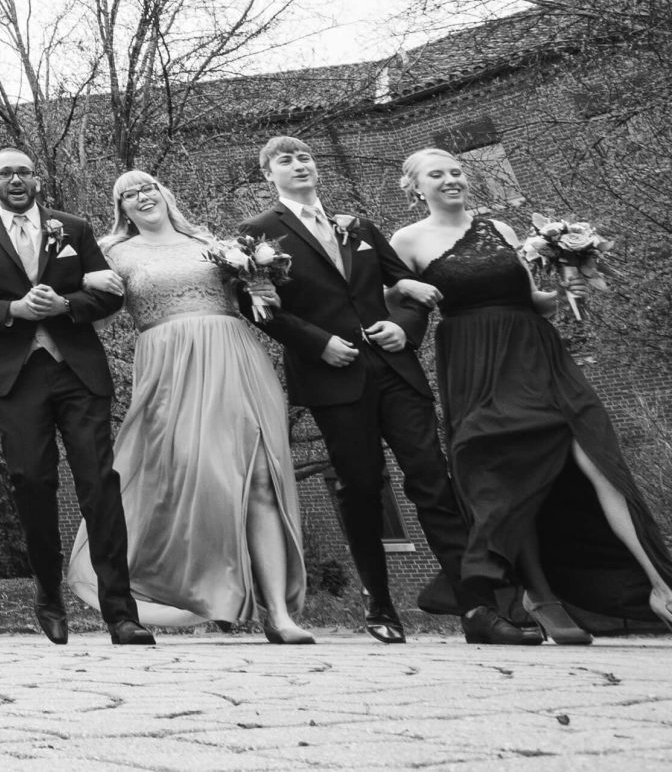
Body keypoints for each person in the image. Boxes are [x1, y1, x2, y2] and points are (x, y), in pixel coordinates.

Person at [392, 147, 672, 644]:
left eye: (457, 171)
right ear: (416, 186)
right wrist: (403, 299)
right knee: (502, 473)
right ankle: (538, 594)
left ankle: (659, 586)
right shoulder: (406, 241)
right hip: (476, 364)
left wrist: (568, 289)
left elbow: (532, 300)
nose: (452, 179)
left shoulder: (498, 229)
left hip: (538, 352)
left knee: (599, 461)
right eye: (437, 174)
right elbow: (397, 303)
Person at [63, 171, 310, 642]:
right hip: (169, 365)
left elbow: (249, 298)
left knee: (259, 477)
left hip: (234, 355)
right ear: (121, 209)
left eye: (148, 187)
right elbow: (89, 302)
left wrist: (262, 289)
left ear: (164, 193)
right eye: (128, 194)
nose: (141, 196)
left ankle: (278, 614)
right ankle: (202, 587)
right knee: (201, 477)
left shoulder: (211, 242)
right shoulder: (113, 253)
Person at [241, 135, 469, 643]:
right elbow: (261, 307)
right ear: (268, 175)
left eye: (305, 156)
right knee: (362, 485)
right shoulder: (256, 235)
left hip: (395, 369)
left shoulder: (359, 225)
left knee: (431, 476)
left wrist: (404, 328)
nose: (299, 164)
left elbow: (401, 280)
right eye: (286, 160)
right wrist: (319, 344)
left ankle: (476, 601)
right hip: (333, 376)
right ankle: (380, 605)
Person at [0, 149, 153, 646]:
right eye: (5, 173)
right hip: (17, 377)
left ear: (36, 179)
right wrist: (12, 307)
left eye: (24, 171)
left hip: (77, 370)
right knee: (31, 482)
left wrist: (66, 304)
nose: (16, 180)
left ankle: (120, 613)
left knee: (99, 483)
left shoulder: (73, 228)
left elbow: (110, 293)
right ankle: (48, 593)